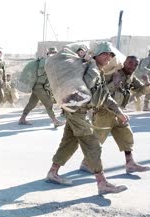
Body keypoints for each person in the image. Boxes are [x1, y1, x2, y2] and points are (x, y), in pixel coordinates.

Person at [46, 42, 128, 195]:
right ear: (96, 54)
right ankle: (102, 182)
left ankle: (53, 172)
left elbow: (104, 95)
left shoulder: (98, 70)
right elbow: (93, 93)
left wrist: (118, 112)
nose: (108, 57)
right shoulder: (92, 69)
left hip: (75, 111)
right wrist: (116, 111)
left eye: (110, 55)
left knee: (69, 143)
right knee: (92, 144)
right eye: (105, 54)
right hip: (79, 112)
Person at [79, 56, 149, 174]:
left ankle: (130, 163)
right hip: (104, 112)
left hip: (119, 113)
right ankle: (86, 163)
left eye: (135, 65)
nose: (132, 66)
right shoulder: (112, 73)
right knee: (98, 140)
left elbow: (141, 90)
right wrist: (114, 83)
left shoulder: (131, 77)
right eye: (130, 63)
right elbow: (101, 91)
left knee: (127, 136)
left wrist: (147, 84)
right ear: (124, 63)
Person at [18, 47, 64, 127]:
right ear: (48, 54)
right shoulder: (44, 62)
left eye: (54, 53)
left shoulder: (52, 63)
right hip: (38, 86)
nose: (53, 54)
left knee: (32, 103)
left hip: (41, 86)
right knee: (48, 103)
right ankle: (55, 121)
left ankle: (22, 118)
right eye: (51, 53)